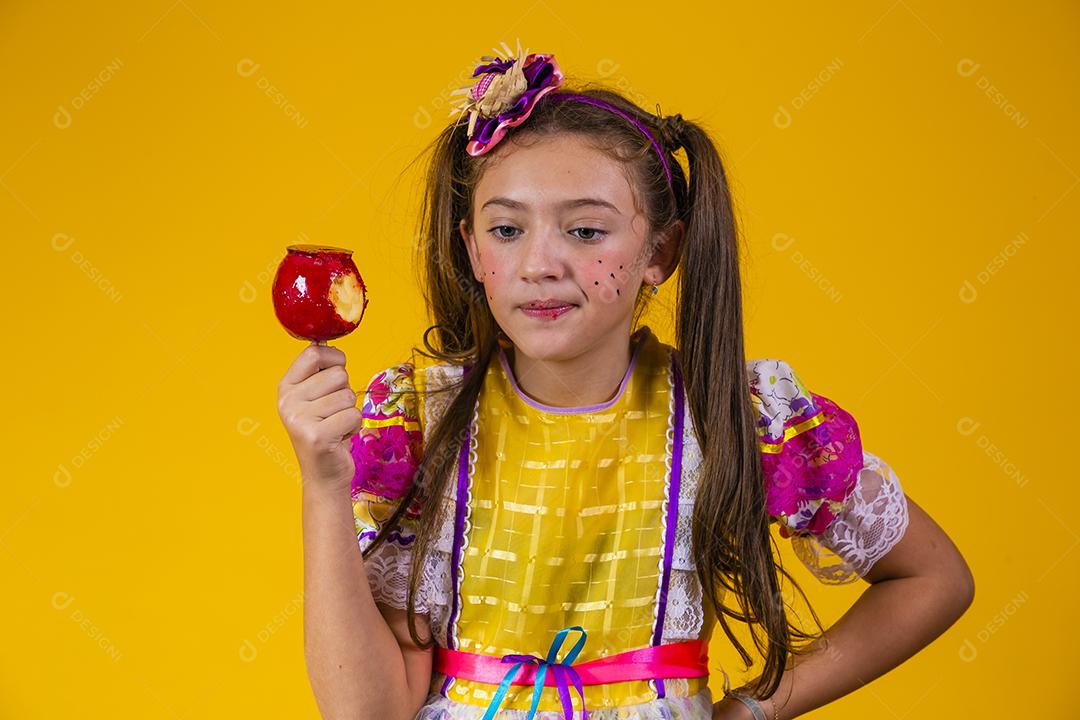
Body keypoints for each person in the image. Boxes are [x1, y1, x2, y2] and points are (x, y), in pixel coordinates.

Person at [278, 41, 975, 720]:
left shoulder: (731, 416)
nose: (539, 264)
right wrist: (324, 482)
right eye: (507, 230)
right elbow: (367, 713)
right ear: (470, 246)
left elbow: (934, 580)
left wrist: (756, 707)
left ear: (660, 252)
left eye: (585, 231)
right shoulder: (420, 422)